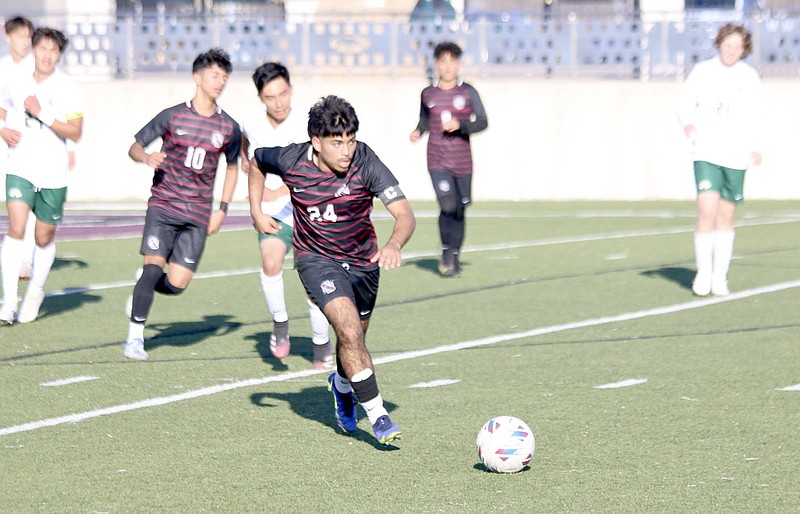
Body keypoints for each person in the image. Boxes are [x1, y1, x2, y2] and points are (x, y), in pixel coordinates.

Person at [249, 95, 416, 445]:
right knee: (350, 331)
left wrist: (393, 245)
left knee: (353, 340)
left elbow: (404, 214)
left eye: (351, 140)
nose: (346, 150)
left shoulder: (366, 162)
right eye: (337, 142)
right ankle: (379, 415)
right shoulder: (290, 159)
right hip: (316, 260)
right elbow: (256, 162)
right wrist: (256, 211)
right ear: (316, 142)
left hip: (364, 263)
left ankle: (341, 387)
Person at [123, 48, 240, 360]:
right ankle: (135, 337)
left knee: (176, 284)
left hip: (198, 215)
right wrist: (147, 157)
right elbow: (135, 146)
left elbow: (232, 167)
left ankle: (142, 287)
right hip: (163, 206)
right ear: (197, 77)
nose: (220, 82)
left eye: (224, 78)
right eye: (215, 75)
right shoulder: (172, 115)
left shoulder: (229, 127)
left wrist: (223, 208)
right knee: (152, 268)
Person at [239, 62, 332, 368]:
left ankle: (321, 343)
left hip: (309, 212)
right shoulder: (252, 125)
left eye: (282, 94)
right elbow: (246, 153)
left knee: (312, 283)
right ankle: (280, 324)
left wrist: (285, 191)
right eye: (270, 97)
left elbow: (323, 167)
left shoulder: (310, 124)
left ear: (291, 90)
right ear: (260, 98)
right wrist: (252, 177)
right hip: (272, 213)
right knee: (270, 261)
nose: (278, 103)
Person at [0, 26, 84, 325]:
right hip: (20, 166)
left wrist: (42, 114)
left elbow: (76, 131)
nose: (48, 55)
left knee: (43, 237)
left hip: (53, 172)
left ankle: (35, 291)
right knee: (16, 227)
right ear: (33, 49)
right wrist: (3, 129)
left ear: (59, 55)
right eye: (43, 49)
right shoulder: (15, 78)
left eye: (54, 50)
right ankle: (8, 303)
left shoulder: (68, 87)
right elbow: (3, 106)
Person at [678, 23, 765, 297]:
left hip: (736, 154)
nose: (732, 51)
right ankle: (703, 274)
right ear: (719, 44)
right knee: (706, 209)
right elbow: (684, 103)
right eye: (728, 45)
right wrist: (688, 124)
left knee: (726, 215)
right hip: (706, 151)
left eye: (737, 46)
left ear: (744, 49)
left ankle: (720, 276)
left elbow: (758, 113)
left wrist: (757, 146)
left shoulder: (749, 77)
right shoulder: (703, 71)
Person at [409, 41, 487, 277]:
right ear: (436, 64)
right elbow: (424, 120)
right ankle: (446, 251)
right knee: (447, 205)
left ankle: (454, 254)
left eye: (452, 61)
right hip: (437, 160)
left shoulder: (468, 91)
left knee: (459, 209)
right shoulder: (428, 93)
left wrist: (461, 125)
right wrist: (418, 131)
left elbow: (483, 121)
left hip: (463, 162)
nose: (448, 66)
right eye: (443, 61)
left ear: (458, 64)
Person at [0, 16, 37, 282]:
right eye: (21, 36)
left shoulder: (40, 67)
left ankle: (27, 259)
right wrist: (2, 130)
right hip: (15, 147)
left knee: (36, 203)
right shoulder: (3, 69)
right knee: (18, 203)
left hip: (43, 145)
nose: (26, 41)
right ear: (8, 37)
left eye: (29, 36)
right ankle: (20, 258)